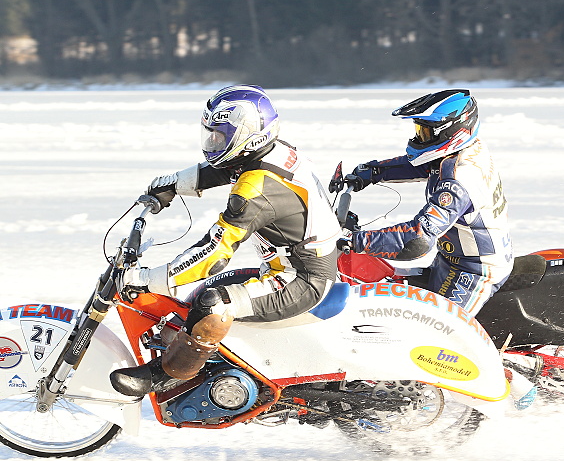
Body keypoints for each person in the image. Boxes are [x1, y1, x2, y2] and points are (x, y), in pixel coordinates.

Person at [110, 84, 341, 397]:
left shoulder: (257, 189)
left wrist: (148, 279)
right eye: (211, 135)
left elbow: (214, 253)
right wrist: (173, 184)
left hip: (300, 280)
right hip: (295, 265)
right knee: (197, 296)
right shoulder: (273, 152)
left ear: (248, 136)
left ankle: (171, 374)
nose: (213, 143)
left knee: (212, 303)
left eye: (220, 136)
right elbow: (225, 168)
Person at [339, 89, 514, 316]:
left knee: (434, 328)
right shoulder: (467, 149)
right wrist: (373, 171)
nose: (419, 138)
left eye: (425, 133)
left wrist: (355, 241)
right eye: (419, 131)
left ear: (450, 131)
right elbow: (425, 164)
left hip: (475, 273)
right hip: (452, 261)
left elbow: (418, 238)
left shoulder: (459, 181)